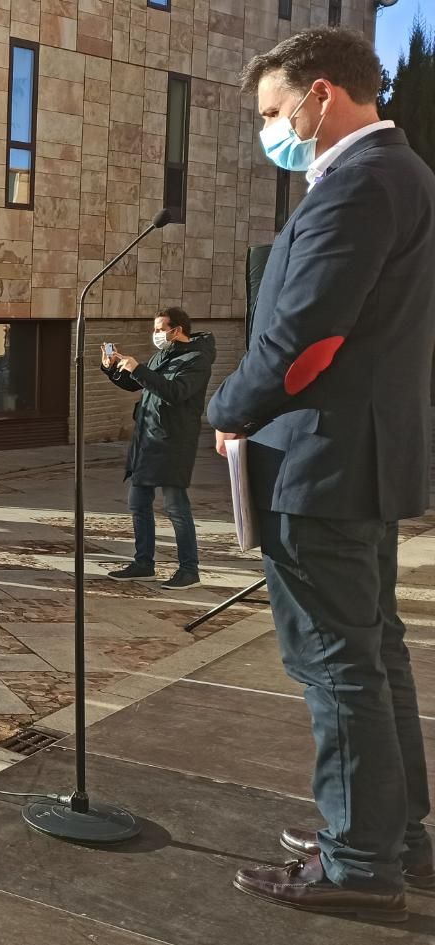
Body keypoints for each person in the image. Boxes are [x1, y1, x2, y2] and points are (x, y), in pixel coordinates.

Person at [210, 28, 435, 919]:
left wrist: (230, 408)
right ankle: (390, 833)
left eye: (274, 112)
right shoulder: (403, 177)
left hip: (320, 462)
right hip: (360, 459)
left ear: (322, 97)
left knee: (336, 661)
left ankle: (357, 864)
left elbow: (306, 339)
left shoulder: (357, 186)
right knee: (374, 652)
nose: (270, 130)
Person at [101, 308, 216, 589]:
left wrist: (139, 368)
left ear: (177, 330)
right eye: (155, 329)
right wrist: (113, 367)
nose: (157, 334)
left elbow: (175, 392)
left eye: (160, 329)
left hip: (173, 441)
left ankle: (189, 570)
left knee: (176, 507)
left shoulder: (197, 359)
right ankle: (143, 564)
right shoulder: (162, 355)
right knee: (138, 503)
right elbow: (138, 384)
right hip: (146, 439)